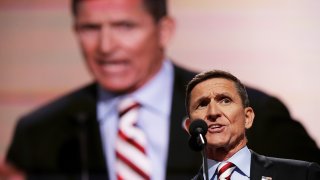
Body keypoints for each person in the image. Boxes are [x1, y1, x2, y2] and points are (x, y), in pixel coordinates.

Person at [1, 0, 320, 179]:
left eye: (125, 26)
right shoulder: (40, 132)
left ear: (164, 31)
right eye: (90, 28)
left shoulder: (256, 114)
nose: (106, 46)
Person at [185, 70, 320, 180]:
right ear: (190, 127)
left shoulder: (302, 175)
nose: (213, 112)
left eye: (225, 101)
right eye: (202, 104)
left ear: (248, 117)